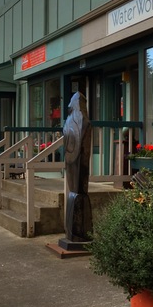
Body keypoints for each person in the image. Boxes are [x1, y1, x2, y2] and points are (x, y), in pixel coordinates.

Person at [62, 92, 92, 242]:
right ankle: (75, 232)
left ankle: (77, 232)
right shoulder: (76, 121)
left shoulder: (74, 121)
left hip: (76, 163)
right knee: (76, 192)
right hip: (72, 161)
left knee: (77, 192)